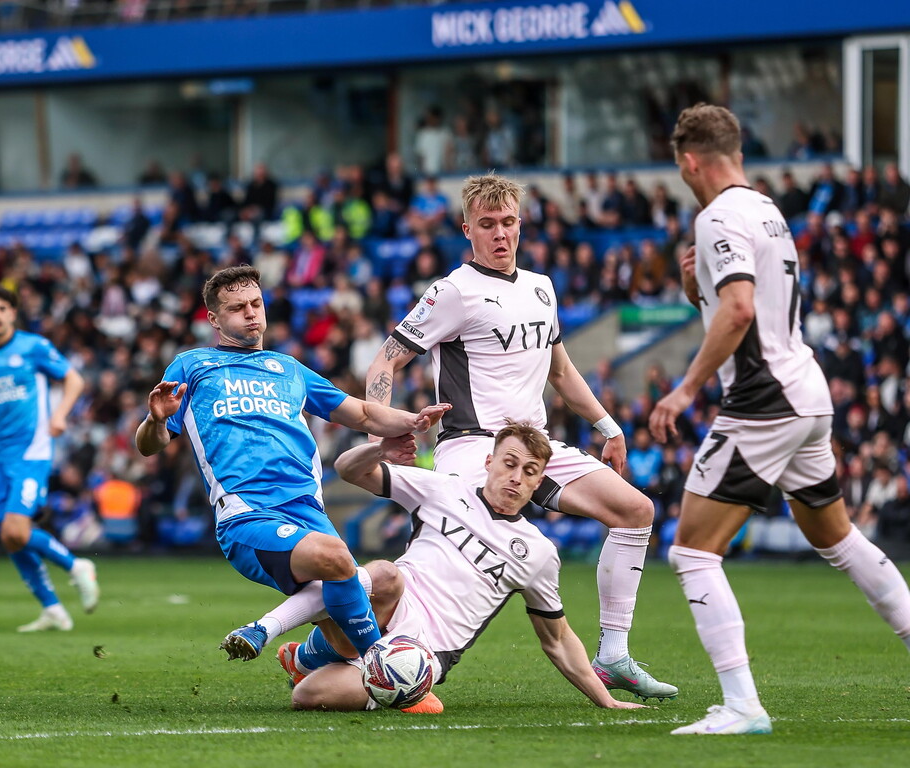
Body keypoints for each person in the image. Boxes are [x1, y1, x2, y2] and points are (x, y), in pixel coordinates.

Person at [649, 103, 910, 736]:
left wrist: (683, 391)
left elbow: (738, 312)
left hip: (764, 404)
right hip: (806, 391)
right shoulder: (767, 209)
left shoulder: (717, 217)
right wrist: (695, 290)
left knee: (692, 552)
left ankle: (741, 704)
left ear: (689, 162)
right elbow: (745, 302)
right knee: (839, 540)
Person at [364, 173, 677, 700]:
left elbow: (561, 371)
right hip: (473, 448)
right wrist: (384, 427)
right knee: (452, 567)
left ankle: (614, 655)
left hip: (535, 448)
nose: (500, 233)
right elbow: (387, 359)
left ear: (521, 223)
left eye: (508, 222)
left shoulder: (541, 287)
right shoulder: (452, 291)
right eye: (487, 225)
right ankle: (375, 656)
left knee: (637, 511)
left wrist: (609, 426)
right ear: (467, 229)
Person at [134, 266, 449, 665]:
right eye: (237, 308)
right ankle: (381, 663)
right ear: (214, 320)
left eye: (255, 303)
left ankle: (301, 660)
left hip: (307, 512)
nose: (251, 313)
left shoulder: (289, 369)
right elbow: (149, 446)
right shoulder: (191, 366)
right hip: (248, 514)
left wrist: (412, 420)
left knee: (376, 596)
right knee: (337, 560)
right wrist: (156, 420)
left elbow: (365, 415)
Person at [252, 422, 648, 713]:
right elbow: (348, 469)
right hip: (385, 607)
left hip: (422, 654)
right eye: (509, 464)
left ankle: (315, 661)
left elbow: (557, 639)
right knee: (383, 575)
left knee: (305, 696)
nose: (516, 477)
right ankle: (306, 651)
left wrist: (606, 700)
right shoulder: (444, 489)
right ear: (490, 461)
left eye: (529, 472)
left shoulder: (539, 552)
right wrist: (380, 450)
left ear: (539, 480)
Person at [0, 284, 96, 632]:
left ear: (13, 313)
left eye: (3, 308)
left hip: (33, 450)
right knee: (9, 535)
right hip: (0, 455)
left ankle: (76, 566)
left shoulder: (33, 346)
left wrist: (60, 415)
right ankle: (53, 610)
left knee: (17, 527)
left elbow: (74, 380)